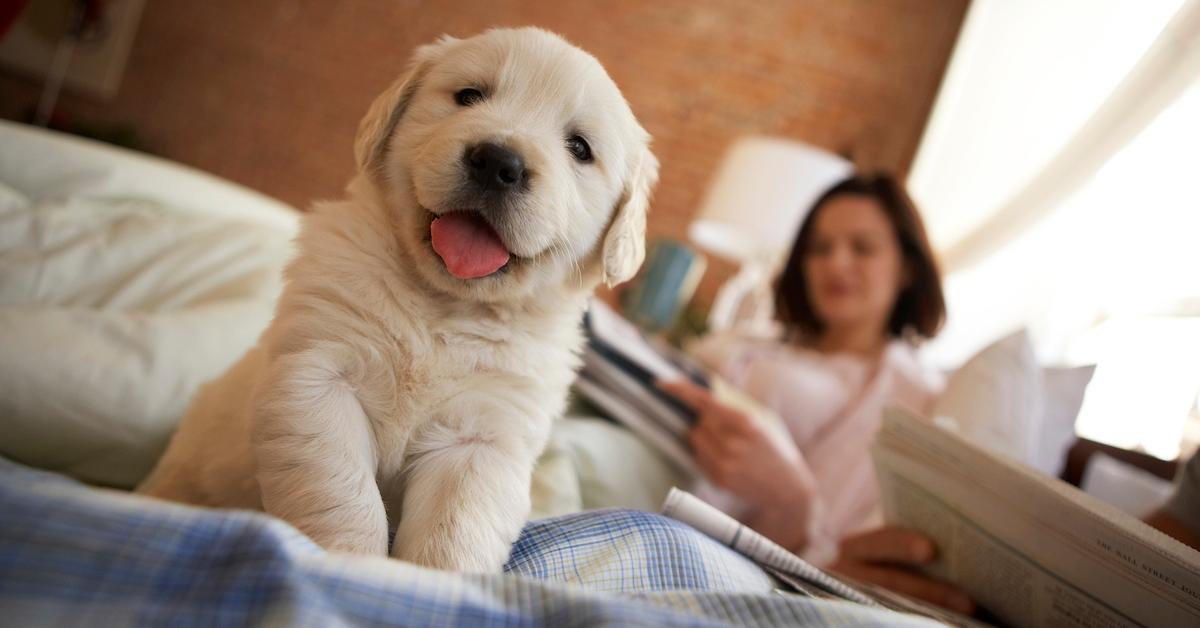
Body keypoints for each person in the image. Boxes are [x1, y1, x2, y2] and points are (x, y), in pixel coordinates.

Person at [660, 173, 972, 611]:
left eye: (861, 247)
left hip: (718, 558)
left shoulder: (908, 394)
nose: (835, 263)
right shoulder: (762, 341)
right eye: (820, 248)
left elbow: (837, 556)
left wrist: (793, 497)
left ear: (905, 267)